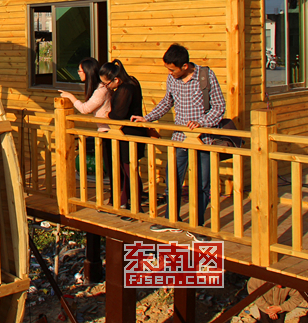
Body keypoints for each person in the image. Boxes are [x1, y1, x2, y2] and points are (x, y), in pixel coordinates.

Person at [132, 44, 225, 240]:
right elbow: (167, 101)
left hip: (203, 140)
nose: (170, 72)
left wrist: (202, 123)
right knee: (173, 178)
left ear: (184, 66)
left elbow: (219, 107)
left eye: (172, 69)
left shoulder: (206, 76)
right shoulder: (172, 79)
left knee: (202, 183)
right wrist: (147, 118)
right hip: (179, 139)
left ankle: (197, 225)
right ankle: (170, 220)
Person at [98, 59, 148, 215]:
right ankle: (126, 202)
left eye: (107, 84)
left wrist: (108, 114)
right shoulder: (131, 81)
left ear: (116, 80)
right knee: (129, 170)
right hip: (130, 133)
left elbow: (118, 114)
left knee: (129, 171)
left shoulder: (125, 88)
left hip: (129, 134)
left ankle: (134, 205)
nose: (106, 87)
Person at [58, 57, 112, 142]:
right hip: (104, 130)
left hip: (108, 131)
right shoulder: (99, 88)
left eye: (80, 70)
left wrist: (70, 96)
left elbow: (85, 109)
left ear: (87, 72)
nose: (78, 73)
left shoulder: (101, 90)